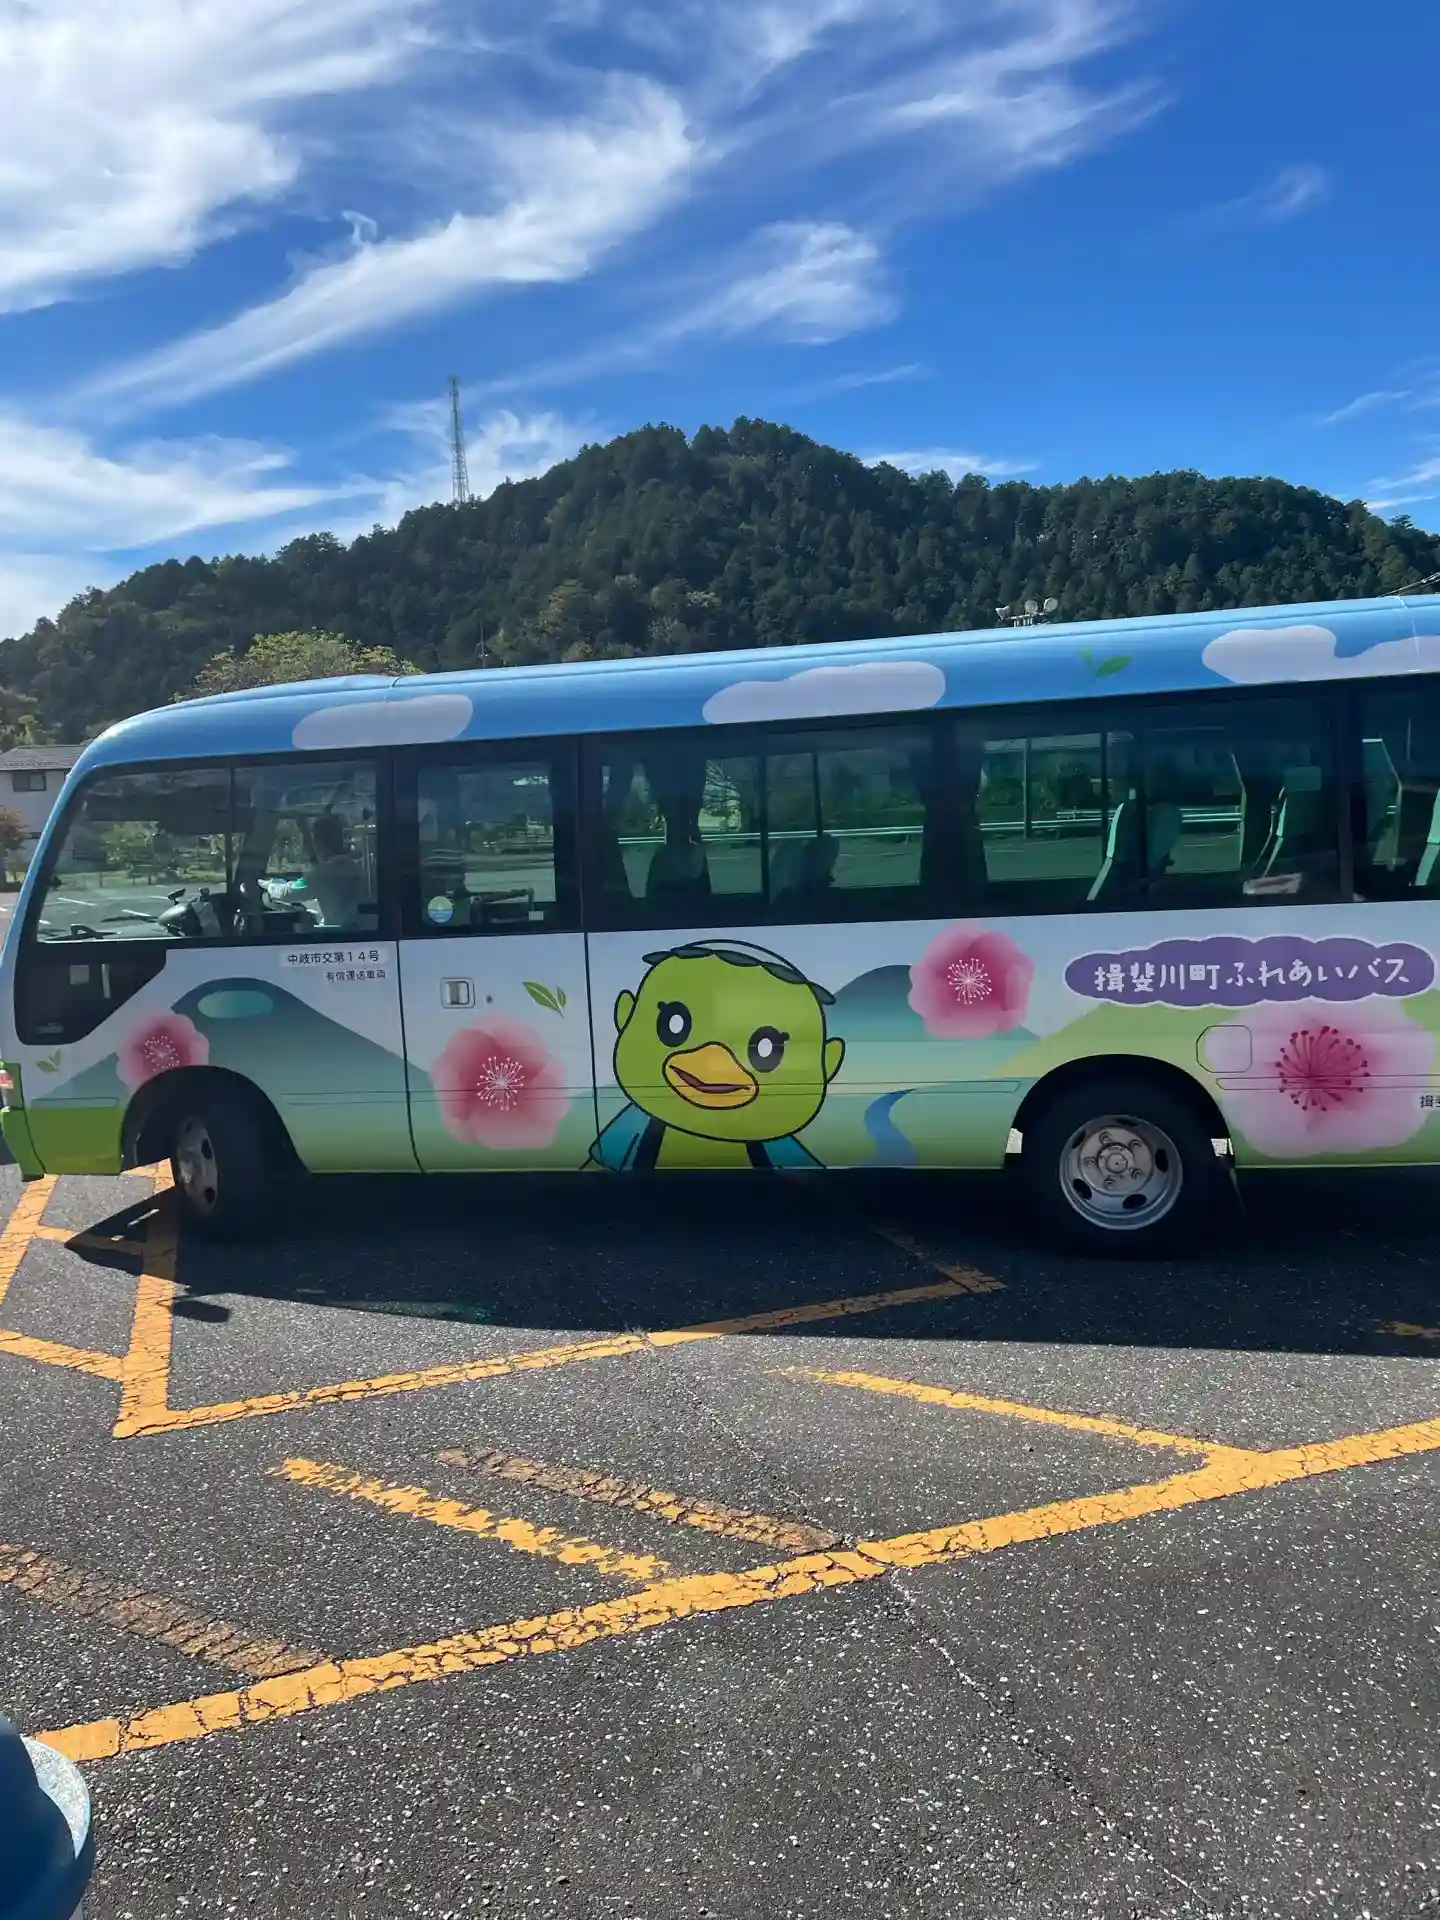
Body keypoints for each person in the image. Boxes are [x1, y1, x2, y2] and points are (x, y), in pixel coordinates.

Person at [271, 814, 372, 930]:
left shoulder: (323, 874)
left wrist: (269, 886)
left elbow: (286, 893)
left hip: (338, 935)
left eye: (314, 840)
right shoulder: (354, 868)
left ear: (319, 842)